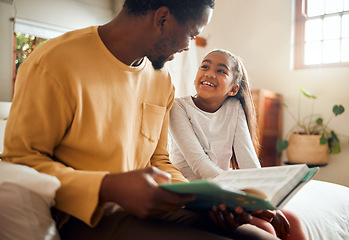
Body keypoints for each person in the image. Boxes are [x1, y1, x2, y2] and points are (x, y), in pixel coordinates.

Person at [0, 1, 280, 239]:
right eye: (191, 34)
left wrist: (205, 200)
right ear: (163, 19)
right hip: (85, 216)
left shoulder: (161, 79)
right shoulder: (53, 63)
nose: (187, 47)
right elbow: (21, 161)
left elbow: (159, 160)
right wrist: (107, 186)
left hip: (153, 205)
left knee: (259, 236)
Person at [169, 49, 307, 240]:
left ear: (233, 89)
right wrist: (246, 199)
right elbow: (200, 166)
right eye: (205, 66)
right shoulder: (178, 107)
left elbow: (249, 163)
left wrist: (265, 201)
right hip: (196, 193)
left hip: (227, 191)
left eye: (221, 71)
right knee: (265, 229)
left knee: (293, 221)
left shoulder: (234, 108)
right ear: (195, 77)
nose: (210, 73)